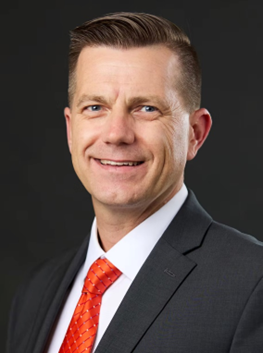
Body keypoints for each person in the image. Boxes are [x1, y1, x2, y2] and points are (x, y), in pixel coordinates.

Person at [6, 12, 263, 353]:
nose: (116, 134)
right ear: (70, 130)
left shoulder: (251, 284)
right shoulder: (35, 293)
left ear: (195, 134)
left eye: (146, 109)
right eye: (95, 107)